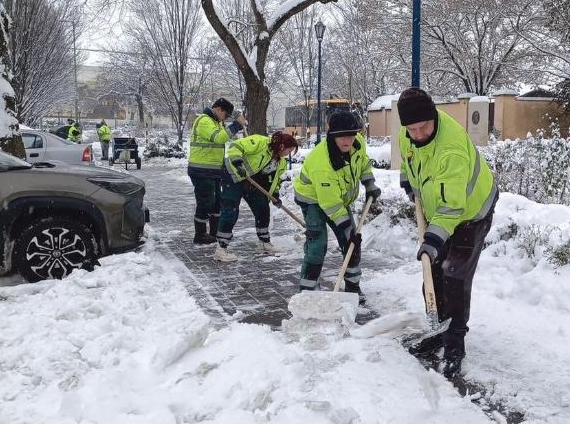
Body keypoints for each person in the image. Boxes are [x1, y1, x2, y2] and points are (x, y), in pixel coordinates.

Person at [396, 87, 498, 379]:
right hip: (442, 208)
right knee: (434, 272)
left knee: (454, 275)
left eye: (423, 127)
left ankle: (455, 344)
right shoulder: (408, 134)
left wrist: (432, 239)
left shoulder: (450, 150)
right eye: (411, 129)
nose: (417, 134)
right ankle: (436, 331)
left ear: (434, 118)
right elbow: (408, 157)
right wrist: (407, 179)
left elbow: (453, 207)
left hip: (471, 212)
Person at [293, 111, 381, 305]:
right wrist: (347, 228)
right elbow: (330, 204)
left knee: (352, 245)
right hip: (312, 200)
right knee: (317, 245)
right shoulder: (322, 163)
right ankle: (307, 292)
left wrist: (370, 184)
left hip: (339, 199)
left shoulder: (357, 145)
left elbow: (363, 164)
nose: (347, 140)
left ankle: (352, 287)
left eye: (351, 134)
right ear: (332, 135)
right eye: (342, 136)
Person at [212, 131, 299, 262]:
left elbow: (274, 180)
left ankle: (264, 243)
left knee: (262, 208)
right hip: (233, 174)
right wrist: (237, 162)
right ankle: (221, 248)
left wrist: (274, 195)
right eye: (289, 150)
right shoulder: (260, 142)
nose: (288, 154)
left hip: (250, 182)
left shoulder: (280, 163)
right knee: (231, 210)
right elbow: (236, 146)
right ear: (282, 146)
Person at [188, 98, 248, 244]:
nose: (226, 118)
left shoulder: (216, 122)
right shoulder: (204, 121)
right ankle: (200, 234)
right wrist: (236, 125)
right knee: (205, 202)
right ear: (219, 109)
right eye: (226, 115)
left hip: (213, 170)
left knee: (216, 203)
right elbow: (220, 138)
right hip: (201, 170)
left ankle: (215, 232)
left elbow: (224, 137)